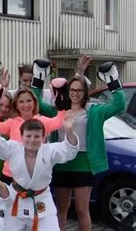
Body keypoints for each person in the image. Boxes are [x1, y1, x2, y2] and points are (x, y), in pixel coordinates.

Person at [46, 62, 126, 231]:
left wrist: (113, 81)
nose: (75, 93)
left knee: (82, 209)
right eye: (72, 90)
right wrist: (38, 80)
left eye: (79, 90)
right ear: (68, 92)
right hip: (62, 164)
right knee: (61, 209)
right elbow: (37, 102)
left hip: (84, 163)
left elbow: (119, 105)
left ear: (85, 93)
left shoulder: (95, 111)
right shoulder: (58, 111)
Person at [0, 104, 79, 231]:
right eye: (28, 136)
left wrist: (69, 130)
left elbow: (69, 151)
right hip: (16, 199)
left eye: (37, 136)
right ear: (21, 137)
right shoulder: (13, 148)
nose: (32, 140)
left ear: (43, 137)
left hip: (42, 200)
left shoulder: (49, 151)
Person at [0, 86, 65, 184]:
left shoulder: (42, 121)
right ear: (16, 105)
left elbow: (59, 121)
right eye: (21, 102)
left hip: (33, 176)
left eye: (29, 101)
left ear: (34, 102)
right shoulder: (12, 123)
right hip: (10, 175)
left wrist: (61, 102)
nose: (25, 105)